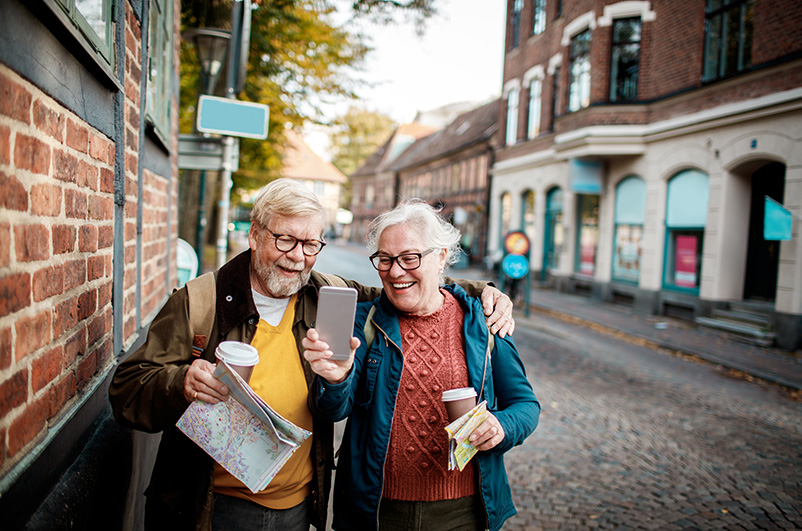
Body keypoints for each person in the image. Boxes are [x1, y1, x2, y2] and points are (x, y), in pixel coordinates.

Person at [109, 179, 515, 530]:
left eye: (311, 244)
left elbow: (405, 282)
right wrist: (180, 382)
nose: (298, 256)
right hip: (208, 508)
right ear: (254, 235)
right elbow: (125, 393)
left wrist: (482, 292)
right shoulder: (199, 301)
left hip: (298, 508)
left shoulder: (329, 295)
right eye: (285, 239)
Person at [303, 199, 541, 531]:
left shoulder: (482, 322)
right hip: (375, 511)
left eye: (409, 258)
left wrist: (502, 427)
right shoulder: (363, 320)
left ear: (441, 256)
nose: (395, 272)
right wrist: (336, 378)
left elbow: (525, 404)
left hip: (463, 513)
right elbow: (332, 410)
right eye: (384, 260)